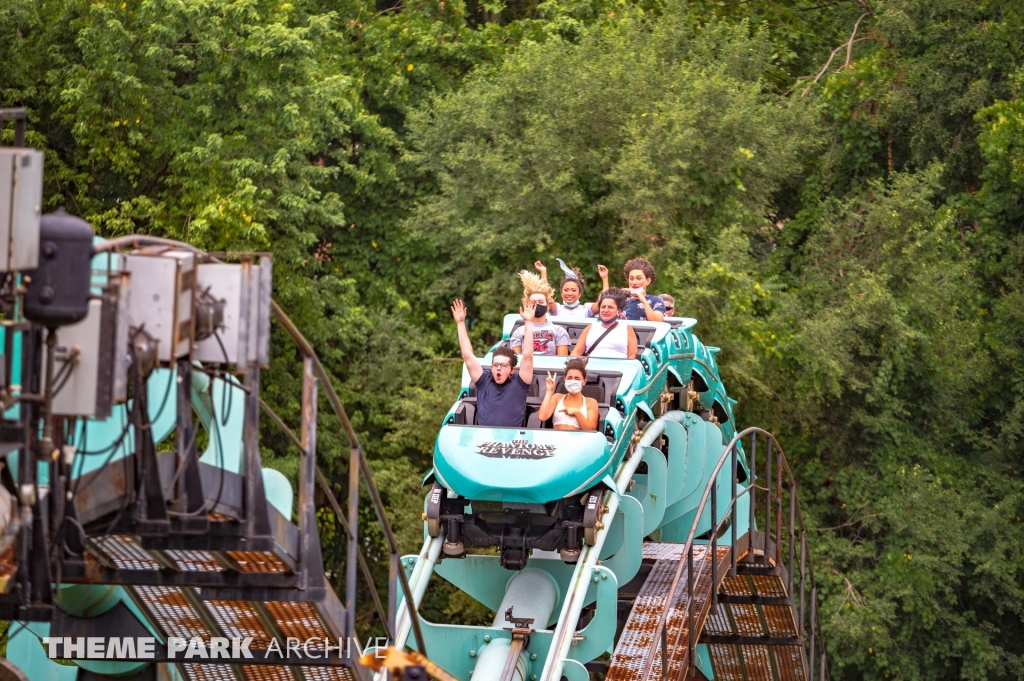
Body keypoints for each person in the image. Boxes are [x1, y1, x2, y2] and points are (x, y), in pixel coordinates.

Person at [452, 299, 536, 428]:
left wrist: (529, 322)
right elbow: (467, 356)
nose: (498, 369)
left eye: (503, 366)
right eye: (496, 365)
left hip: (512, 442)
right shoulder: (484, 380)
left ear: (512, 370)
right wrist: (460, 323)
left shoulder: (520, 382)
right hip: (484, 441)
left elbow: (528, 355)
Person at [509, 270, 570, 355]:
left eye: (540, 302)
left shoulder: (559, 331)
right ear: (528, 305)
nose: (537, 305)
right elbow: (515, 361)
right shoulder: (518, 332)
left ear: (548, 306)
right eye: (533, 302)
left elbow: (562, 362)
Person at [571, 289, 638, 359]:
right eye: (603, 307)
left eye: (610, 307)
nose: (606, 310)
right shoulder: (590, 327)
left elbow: (632, 354)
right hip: (592, 368)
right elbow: (577, 351)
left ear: (618, 311)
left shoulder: (627, 329)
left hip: (618, 368)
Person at [538, 357, 600, 430]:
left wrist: (577, 413)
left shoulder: (591, 403)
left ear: (584, 381)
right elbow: (542, 417)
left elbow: (591, 430)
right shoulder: (557, 398)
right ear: (565, 379)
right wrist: (549, 391)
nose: (573, 381)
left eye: (577, 378)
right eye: (569, 378)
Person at [535, 259, 609, 318]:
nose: (569, 293)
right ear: (561, 293)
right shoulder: (557, 309)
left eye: (573, 290)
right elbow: (547, 297)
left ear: (579, 294)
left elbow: (604, 302)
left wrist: (604, 278)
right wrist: (543, 272)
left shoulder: (587, 309)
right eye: (566, 290)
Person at [621, 257, 665, 321]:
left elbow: (657, 322)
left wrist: (643, 301)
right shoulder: (621, 299)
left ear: (648, 281)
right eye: (631, 278)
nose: (634, 282)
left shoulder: (656, 300)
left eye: (638, 278)